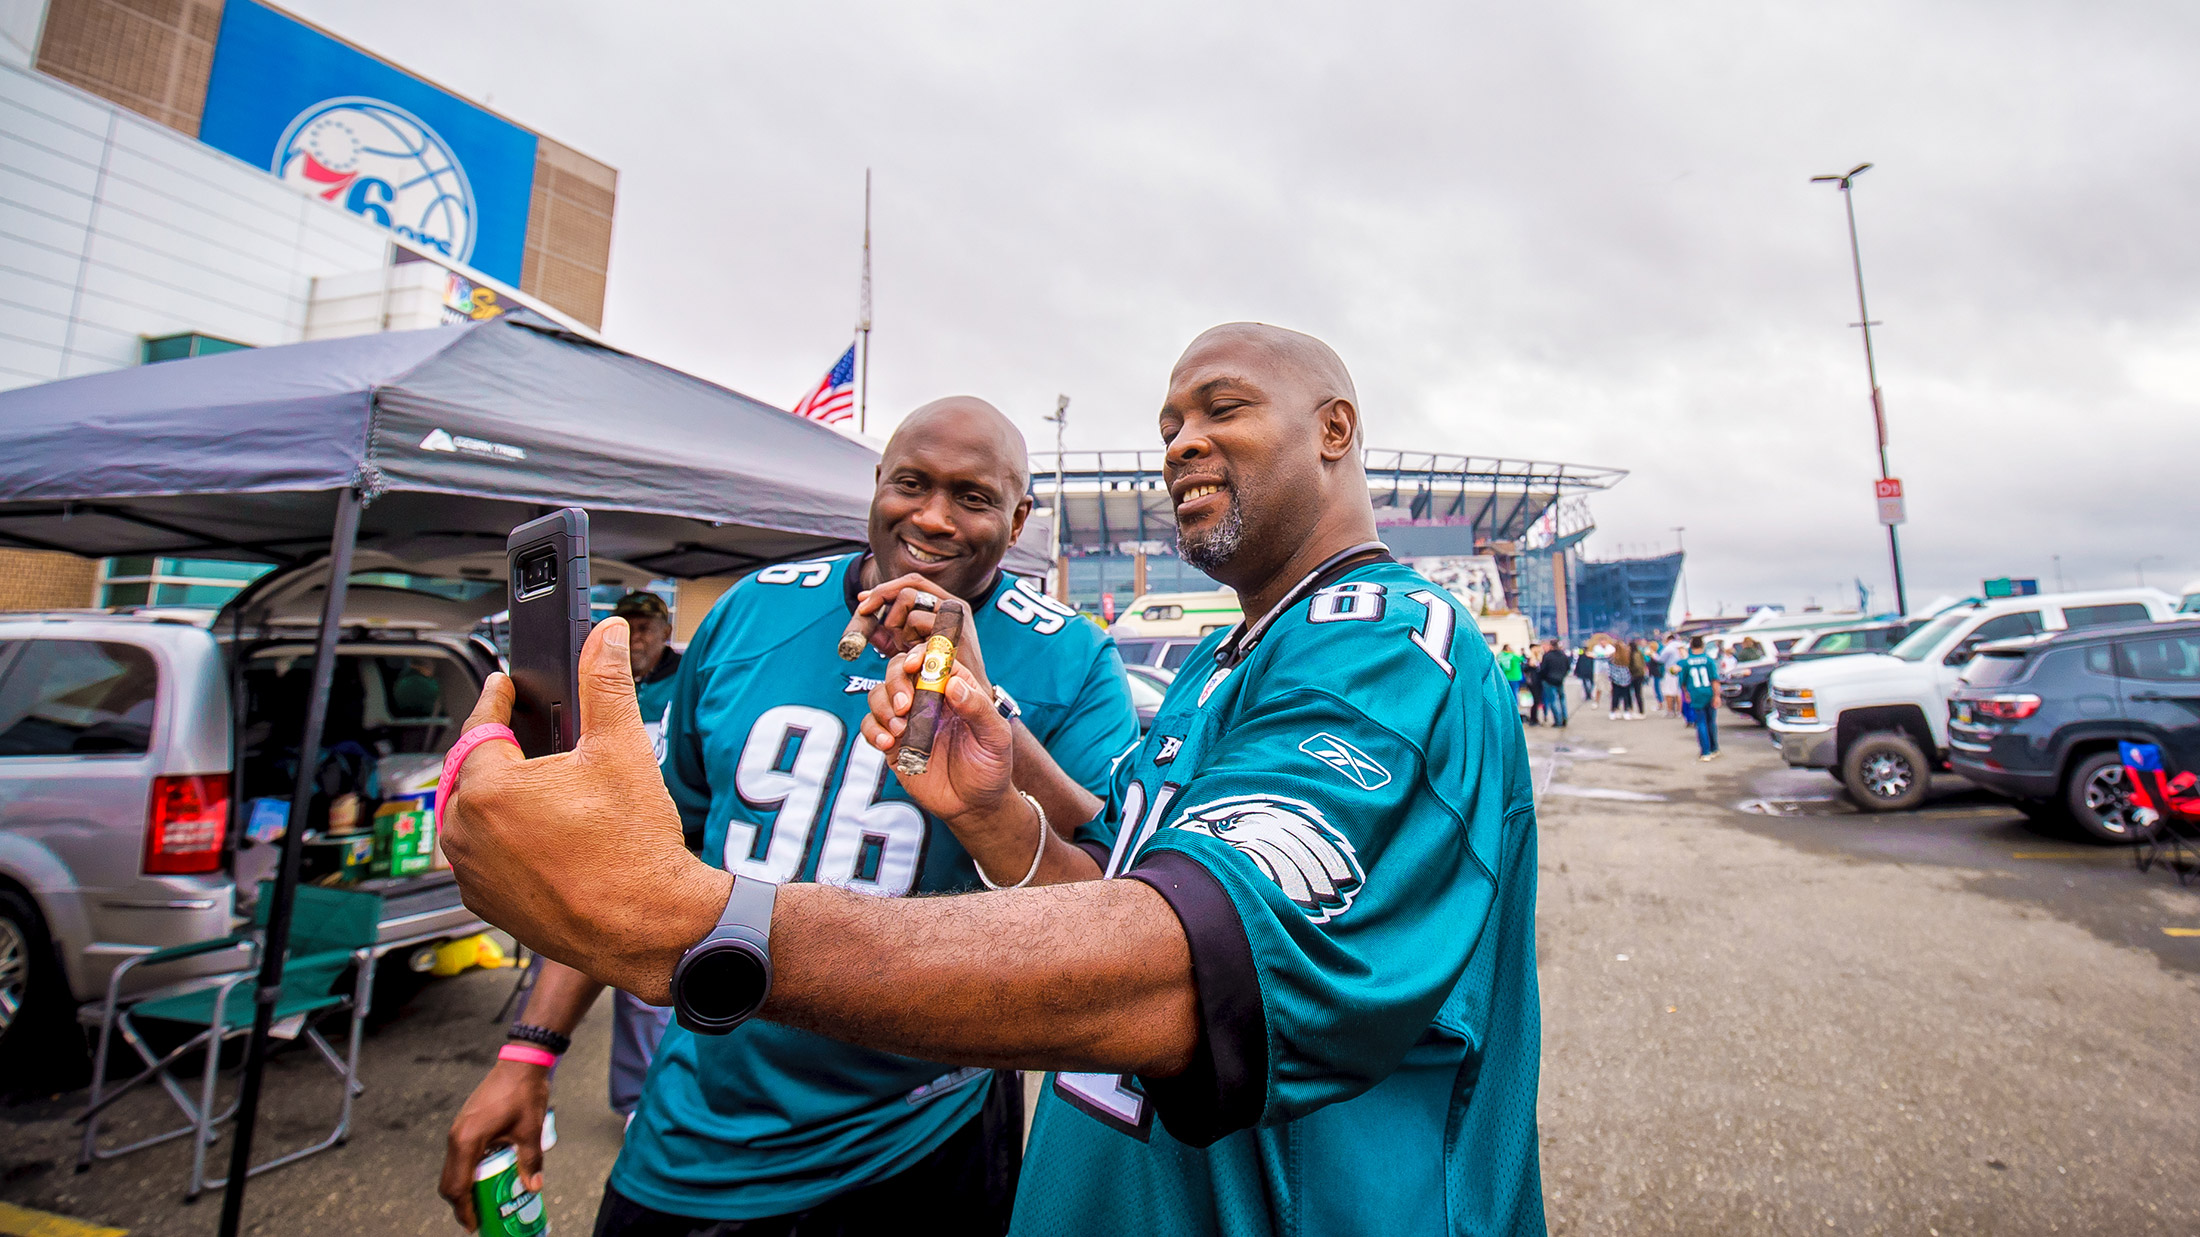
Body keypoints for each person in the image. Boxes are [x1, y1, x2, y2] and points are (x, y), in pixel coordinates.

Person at [438, 323, 1547, 1236]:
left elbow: (1188, 968)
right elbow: (1110, 882)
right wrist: (995, 810)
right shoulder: (1228, 654)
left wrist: (693, 927)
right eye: (1168, 424)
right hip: (712, 1140)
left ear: (1334, 430)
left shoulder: (1392, 638)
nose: (1180, 443)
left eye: (1221, 408)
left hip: (981, 1159)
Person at [438, 398, 1141, 1236]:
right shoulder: (755, 609)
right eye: (912, 484)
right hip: (699, 1117)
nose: (934, 517)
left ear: (1020, 517)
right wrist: (529, 1048)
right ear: (877, 484)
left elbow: (1108, 878)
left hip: (920, 1132)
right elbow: (641, 851)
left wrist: (982, 699)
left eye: (974, 497)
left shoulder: (1071, 652)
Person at [602, 591, 685, 1118]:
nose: (637, 636)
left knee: (649, 980)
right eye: (628, 625)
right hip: (603, 838)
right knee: (565, 960)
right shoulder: (607, 677)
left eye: (646, 627)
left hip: (667, 844)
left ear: (663, 629)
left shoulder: (686, 677)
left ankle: (644, 1100)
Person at [1679, 635, 1721, 761]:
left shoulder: (1686, 662)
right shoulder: (1708, 660)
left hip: (1696, 693)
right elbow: (1714, 679)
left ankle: (1705, 751)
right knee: (1711, 722)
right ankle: (1714, 748)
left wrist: (1686, 693)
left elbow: (1683, 681)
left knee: (1701, 722)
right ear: (1702, 646)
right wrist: (1717, 695)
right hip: (1708, 692)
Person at [1537, 640, 1572, 728]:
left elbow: (1543, 669)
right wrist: (1562, 676)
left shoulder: (1547, 656)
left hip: (1549, 680)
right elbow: (1568, 667)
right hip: (1560, 680)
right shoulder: (1563, 655)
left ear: (1551, 646)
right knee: (1562, 699)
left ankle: (1558, 720)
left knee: (1553, 700)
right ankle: (1564, 717)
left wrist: (1543, 677)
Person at [1499, 644, 1529, 724]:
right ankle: (1514, 708)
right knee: (1515, 694)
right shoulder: (1513, 656)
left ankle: (1508, 707)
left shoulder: (1500, 656)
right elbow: (1522, 659)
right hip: (1515, 677)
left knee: (1507, 693)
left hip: (1506, 677)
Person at [1605, 641, 1633, 721]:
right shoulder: (1626, 656)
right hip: (1626, 678)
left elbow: (1608, 665)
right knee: (1626, 696)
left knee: (1615, 696)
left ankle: (1613, 711)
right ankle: (1626, 712)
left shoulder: (1612, 657)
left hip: (1615, 679)